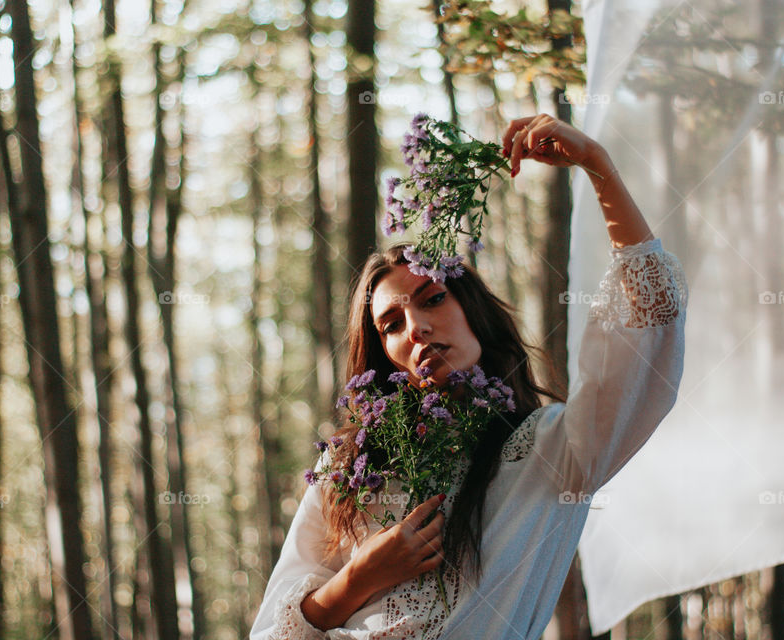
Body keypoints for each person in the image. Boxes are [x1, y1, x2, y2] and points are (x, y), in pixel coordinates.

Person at [249, 114, 689, 639]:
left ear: (474, 311)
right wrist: (362, 575)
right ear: (385, 354)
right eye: (391, 323)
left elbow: (648, 325)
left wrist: (598, 167)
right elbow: (271, 633)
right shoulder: (350, 468)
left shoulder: (554, 451)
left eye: (433, 299)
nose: (416, 328)